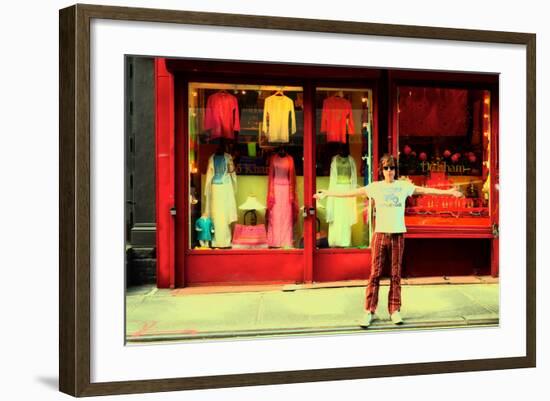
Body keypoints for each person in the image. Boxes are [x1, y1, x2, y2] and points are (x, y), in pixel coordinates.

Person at [314, 154, 463, 328]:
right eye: (386, 168)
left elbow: (426, 190)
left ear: (395, 170)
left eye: (392, 168)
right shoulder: (376, 187)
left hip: (398, 234)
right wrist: (327, 193)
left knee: (395, 275)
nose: (389, 171)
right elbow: (351, 193)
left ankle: (394, 310)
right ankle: (369, 311)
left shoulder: (403, 186)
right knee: (375, 274)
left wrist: (450, 192)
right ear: (381, 170)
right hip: (380, 234)